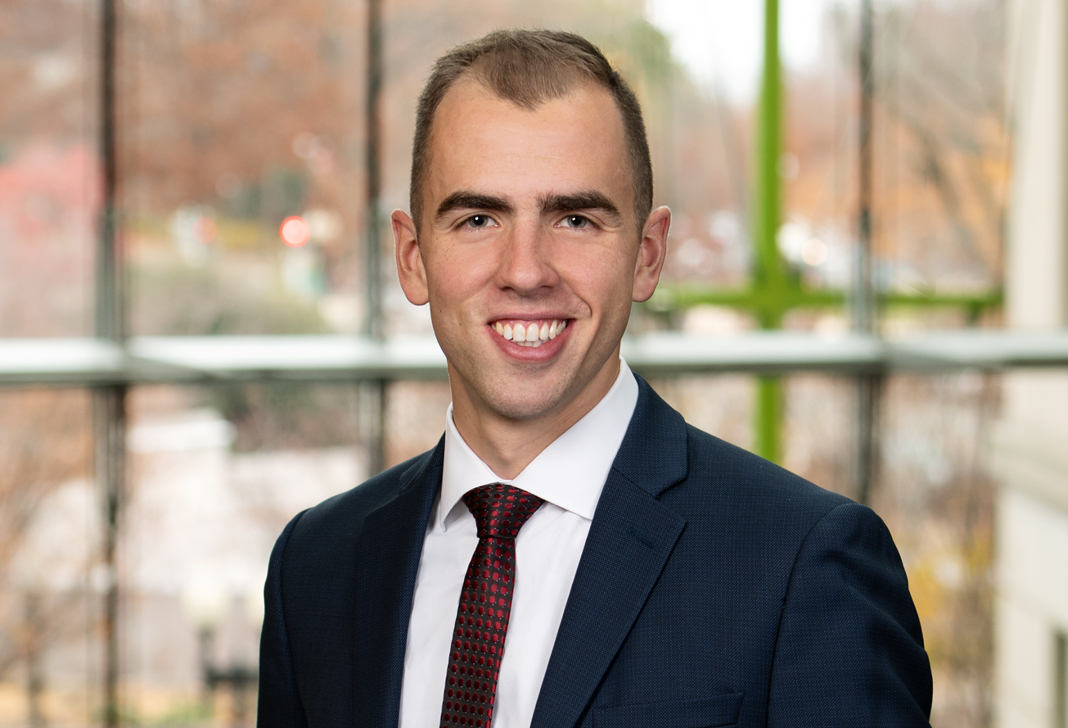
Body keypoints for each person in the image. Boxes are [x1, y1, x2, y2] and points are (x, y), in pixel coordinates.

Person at [257, 29, 933, 728]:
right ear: (412, 258)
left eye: (575, 220)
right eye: (479, 218)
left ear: (647, 255)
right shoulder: (316, 566)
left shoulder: (803, 564)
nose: (526, 271)